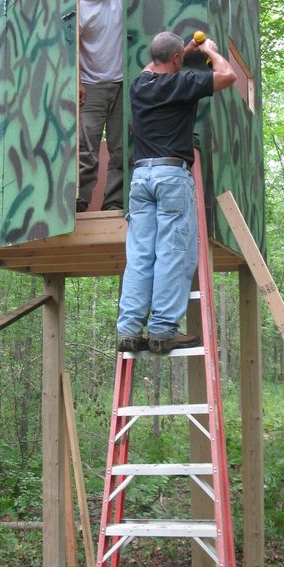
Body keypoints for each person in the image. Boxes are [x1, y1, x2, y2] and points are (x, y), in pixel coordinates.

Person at [116, 31, 236, 354]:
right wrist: (209, 50)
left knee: (140, 255)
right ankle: (161, 331)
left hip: (141, 178)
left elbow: (154, 65)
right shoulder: (183, 84)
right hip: (171, 176)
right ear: (177, 60)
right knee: (172, 252)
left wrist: (182, 49)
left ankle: (128, 330)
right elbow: (228, 75)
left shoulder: (139, 85)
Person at [76, 0, 124, 212]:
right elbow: (69, 46)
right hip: (91, 85)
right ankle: (78, 203)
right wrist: (77, 82)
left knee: (121, 147)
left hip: (122, 82)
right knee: (86, 148)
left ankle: (114, 203)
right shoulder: (79, 5)